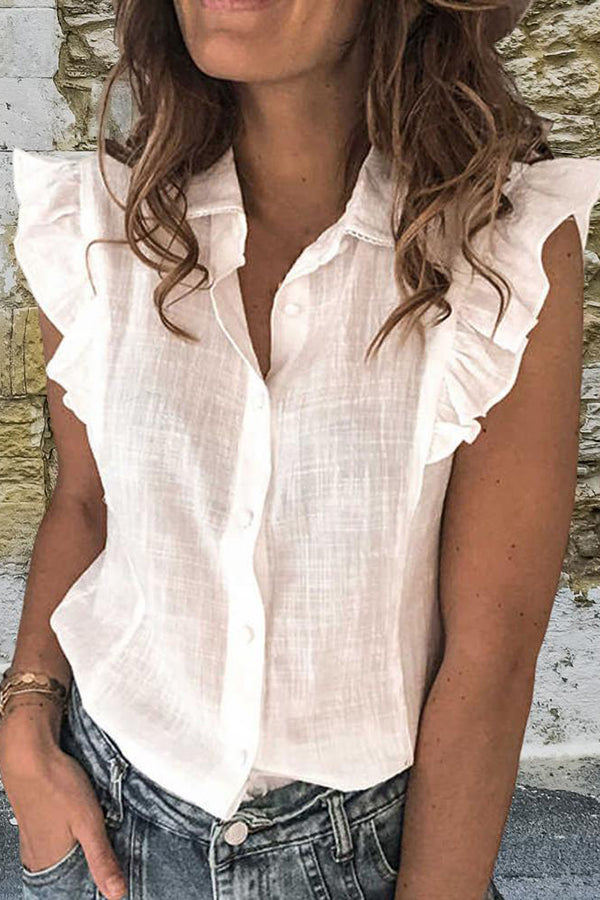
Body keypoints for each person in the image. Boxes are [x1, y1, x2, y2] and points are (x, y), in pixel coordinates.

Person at [1, 0, 600, 898]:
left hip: (354, 859)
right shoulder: (98, 222)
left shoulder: (500, 255)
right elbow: (85, 503)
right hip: (100, 824)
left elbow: (491, 658)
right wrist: (25, 717)